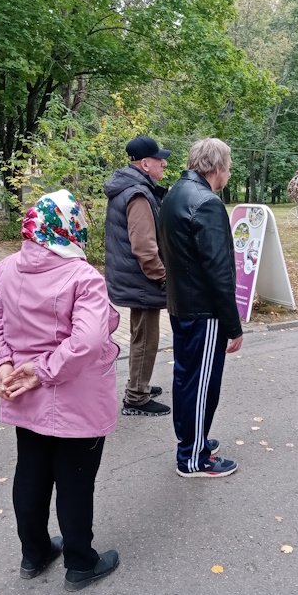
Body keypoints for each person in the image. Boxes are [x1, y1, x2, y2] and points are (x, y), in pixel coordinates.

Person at [0, 190, 120, 591]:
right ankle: (80, 562)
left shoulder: (5, 268)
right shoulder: (82, 276)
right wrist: (42, 371)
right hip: (79, 398)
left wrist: (3, 368)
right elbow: (88, 340)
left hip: (25, 396)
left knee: (32, 472)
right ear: (70, 227)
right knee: (75, 480)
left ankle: (34, 553)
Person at [158, 138, 243, 478]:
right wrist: (233, 325)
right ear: (217, 166)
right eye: (229, 164)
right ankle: (193, 456)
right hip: (203, 310)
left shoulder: (174, 194)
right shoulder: (206, 202)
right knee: (201, 383)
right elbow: (218, 271)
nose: (230, 171)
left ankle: (196, 442)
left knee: (188, 379)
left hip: (182, 304)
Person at [104, 135, 171, 417]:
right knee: (146, 338)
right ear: (145, 163)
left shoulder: (129, 187)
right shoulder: (138, 194)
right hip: (143, 279)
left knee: (140, 335)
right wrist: (163, 277)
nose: (164, 164)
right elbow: (144, 247)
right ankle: (136, 398)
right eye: (159, 159)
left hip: (133, 278)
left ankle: (137, 383)